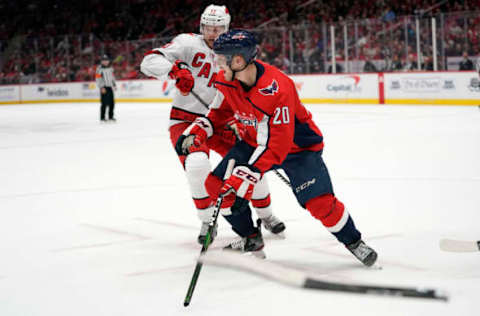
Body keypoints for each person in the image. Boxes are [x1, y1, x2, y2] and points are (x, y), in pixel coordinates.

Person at [176, 29, 378, 266]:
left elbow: (277, 145)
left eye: (221, 60)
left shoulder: (278, 88)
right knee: (216, 185)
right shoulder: (226, 79)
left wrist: (246, 174)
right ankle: (251, 238)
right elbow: (219, 111)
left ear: (238, 61)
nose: (218, 66)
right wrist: (200, 130)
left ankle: (354, 241)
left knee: (320, 203)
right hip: (254, 144)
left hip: (297, 149)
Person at [140, 5, 285, 244]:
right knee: (196, 164)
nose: (212, 33)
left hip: (223, 120)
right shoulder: (187, 43)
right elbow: (149, 61)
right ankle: (208, 220)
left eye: (218, 28)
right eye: (208, 27)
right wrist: (174, 70)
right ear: (201, 26)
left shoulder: (235, 49)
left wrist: (241, 115)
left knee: (251, 166)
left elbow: (248, 84)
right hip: (185, 118)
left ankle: (266, 215)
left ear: (226, 27)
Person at [95, 54, 117, 122]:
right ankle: (102, 117)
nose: (105, 62)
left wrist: (114, 85)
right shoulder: (99, 69)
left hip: (110, 87)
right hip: (104, 87)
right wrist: (101, 87)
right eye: (104, 60)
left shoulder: (111, 68)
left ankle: (111, 117)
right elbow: (98, 78)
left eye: (106, 60)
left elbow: (112, 77)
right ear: (101, 61)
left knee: (112, 103)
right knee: (104, 103)